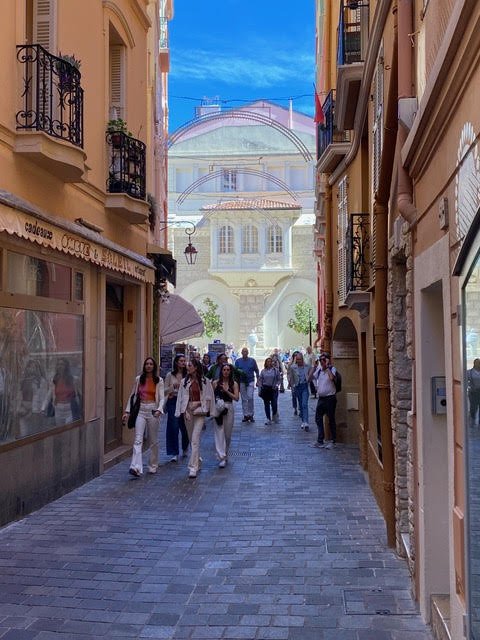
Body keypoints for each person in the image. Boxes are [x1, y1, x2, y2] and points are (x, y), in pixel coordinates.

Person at [123, 357, 164, 477]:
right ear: (144, 366)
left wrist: (159, 409)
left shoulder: (159, 381)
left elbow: (161, 398)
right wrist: (127, 411)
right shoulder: (138, 379)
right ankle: (135, 466)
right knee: (138, 439)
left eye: (151, 364)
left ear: (154, 366)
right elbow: (133, 396)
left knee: (153, 440)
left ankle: (153, 464)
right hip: (140, 410)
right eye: (147, 364)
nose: (149, 366)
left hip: (153, 410)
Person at [175, 359, 214, 478]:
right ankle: (198, 460)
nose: (187, 367)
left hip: (199, 412)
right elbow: (180, 398)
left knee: (195, 439)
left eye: (190, 365)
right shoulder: (184, 382)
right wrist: (182, 411)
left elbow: (208, 397)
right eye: (187, 365)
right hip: (188, 413)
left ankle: (193, 467)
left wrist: (198, 405)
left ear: (196, 367)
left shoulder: (205, 381)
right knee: (191, 438)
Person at [212, 363, 239, 467]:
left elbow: (236, 398)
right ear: (221, 371)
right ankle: (221, 457)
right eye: (224, 370)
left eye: (228, 370)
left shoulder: (234, 384)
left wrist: (226, 391)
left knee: (227, 434)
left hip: (229, 408)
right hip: (218, 409)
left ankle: (225, 452)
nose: (226, 372)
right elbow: (211, 395)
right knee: (219, 433)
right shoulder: (215, 383)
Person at [164, 355, 189, 462]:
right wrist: (172, 388)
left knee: (185, 427)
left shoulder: (188, 375)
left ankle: (185, 447)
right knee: (173, 427)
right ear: (176, 362)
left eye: (184, 361)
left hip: (185, 402)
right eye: (181, 361)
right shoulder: (170, 375)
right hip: (173, 401)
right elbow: (164, 390)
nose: (183, 363)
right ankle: (174, 452)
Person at [43, 358, 81, 427]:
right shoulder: (54, 379)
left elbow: (77, 394)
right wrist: (43, 407)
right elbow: (49, 394)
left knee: (68, 428)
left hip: (69, 408)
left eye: (62, 364)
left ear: (66, 366)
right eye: (58, 364)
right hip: (58, 409)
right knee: (60, 430)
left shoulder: (73, 379)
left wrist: (80, 408)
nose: (60, 366)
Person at [311, 353, 338, 448]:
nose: (321, 361)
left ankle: (333, 441)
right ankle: (320, 440)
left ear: (327, 360)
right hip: (321, 399)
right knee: (318, 418)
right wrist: (314, 367)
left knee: (331, 419)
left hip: (330, 398)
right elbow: (310, 378)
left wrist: (326, 367)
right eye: (320, 359)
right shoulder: (319, 370)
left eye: (323, 359)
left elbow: (331, 378)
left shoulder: (332, 369)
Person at [19, 359, 48, 437]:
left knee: (34, 434)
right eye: (29, 367)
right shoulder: (23, 380)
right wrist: (20, 406)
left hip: (35, 412)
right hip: (23, 409)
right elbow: (18, 395)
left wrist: (39, 410)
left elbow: (43, 398)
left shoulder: (42, 381)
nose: (31, 369)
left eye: (34, 367)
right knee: (24, 434)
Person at [235, 347, 259, 423]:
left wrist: (258, 380)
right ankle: (246, 415)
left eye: (246, 351)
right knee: (244, 399)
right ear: (241, 353)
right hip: (242, 382)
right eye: (243, 352)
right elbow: (235, 372)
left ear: (248, 353)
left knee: (250, 397)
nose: (245, 353)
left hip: (250, 381)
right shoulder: (238, 361)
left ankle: (251, 414)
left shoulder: (252, 361)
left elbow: (256, 370)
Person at [290, 352, 312, 431]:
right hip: (297, 387)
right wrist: (292, 388)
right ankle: (303, 420)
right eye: (298, 359)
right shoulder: (293, 367)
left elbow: (311, 375)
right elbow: (291, 378)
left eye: (300, 359)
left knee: (304, 404)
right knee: (300, 404)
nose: (299, 361)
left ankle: (306, 422)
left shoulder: (307, 366)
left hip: (305, 386)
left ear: (302, 359)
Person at [258, 356, 281, 425]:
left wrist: (277, 385)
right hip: (266, 389)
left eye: (270, 361)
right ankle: (268, 418)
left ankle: (274, 414)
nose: (269, 363)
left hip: (273, 389)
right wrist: (260, 388)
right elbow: (260, 380)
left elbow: (279, 379)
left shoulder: (275, 370)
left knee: (274, 404)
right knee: (266, 404)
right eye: (268, 362)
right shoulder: (263, 371)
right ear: (265, 363)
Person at [286, 350, 300, 417]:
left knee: (300, 396)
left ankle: (300, 408)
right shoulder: (290, 365)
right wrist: (289, 382)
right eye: (295, 356)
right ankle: (295, 408)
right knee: (294, 396)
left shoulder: (301, 364)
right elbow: (288, 374)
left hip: (300, 383)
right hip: (293, 383)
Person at [468, 358, 480, 424]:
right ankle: (472, 421)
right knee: (473, 407)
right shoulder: (469, 372)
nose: (478, 364)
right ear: (474, 364)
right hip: (473, 393)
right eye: (477, 363)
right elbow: (465, 382)